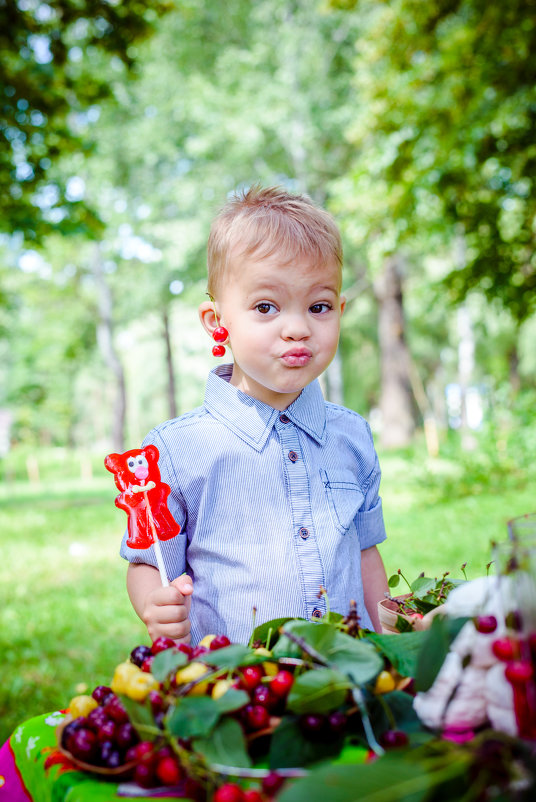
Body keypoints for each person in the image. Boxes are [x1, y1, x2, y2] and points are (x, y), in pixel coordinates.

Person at [121, 185, 388, 646]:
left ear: (340, 311)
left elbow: (365, 555)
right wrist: (154, 605)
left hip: (349, 680)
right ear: (216, 321)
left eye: (319, 306)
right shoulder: (174, 451)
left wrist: (393, 640)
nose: (298, 327)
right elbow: (149, 562)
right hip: (236, 691)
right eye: (266, 307)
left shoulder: (352, 437)